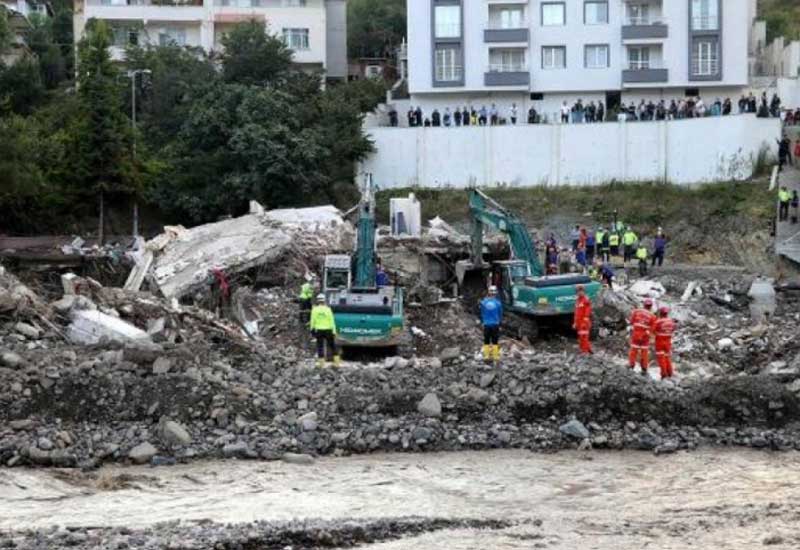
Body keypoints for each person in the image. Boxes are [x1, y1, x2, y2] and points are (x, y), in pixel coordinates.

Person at [310, 294, 339, 367]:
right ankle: (336, 363)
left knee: (320, 347)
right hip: (328, 330)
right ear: (324, 300)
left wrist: (312, 330)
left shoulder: (315, 309)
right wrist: (334, 331)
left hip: (319, 330)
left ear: (317, 301)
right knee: (332, 346)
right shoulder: (328, 309)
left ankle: (321, 364)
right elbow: (332, 321)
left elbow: (312, 321)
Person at [628, 298, 656, 376]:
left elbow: (631, 322)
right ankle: (644, 369)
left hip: (636, 334)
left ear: (644, 305)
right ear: (650, 306)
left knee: (633, 351)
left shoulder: (636, 311)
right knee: (644, 353)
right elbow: (653, 329)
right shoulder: (653, 316)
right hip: (645, 337)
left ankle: (631, 365)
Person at [480, 286, 503, 365]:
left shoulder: (484, 302)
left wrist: (483, 322)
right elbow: (500, 314)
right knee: (495, 341)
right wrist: (500, 324)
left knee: (486, 340)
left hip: (487, 324)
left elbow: (482, 313)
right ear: (495, 293)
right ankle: (495, 356)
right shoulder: (498, 303)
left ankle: (486, 356)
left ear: (489, 292)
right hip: (495, 324)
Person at [654, 306, 676, 379]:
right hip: (668, 342)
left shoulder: (658, 321)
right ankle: (670, 373)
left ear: (660, 313)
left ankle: (664, 374)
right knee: (667, 357)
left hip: (660, 342)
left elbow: (653, 330)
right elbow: (673, 330)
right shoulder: (671, 322)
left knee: (661, 358)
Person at [573, 285, 593, 355]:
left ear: (584, 292)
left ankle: (584, 351)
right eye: (578, 291)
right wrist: (575, 323)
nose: (580, 293)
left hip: (584, 322)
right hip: (579, 322)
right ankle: (587, 349)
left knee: (584, 337)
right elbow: (576, 313)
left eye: (581, 291)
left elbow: (588, 311)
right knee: (581, 337)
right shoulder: (577, 301)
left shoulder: (586, 300)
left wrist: (585, 321)